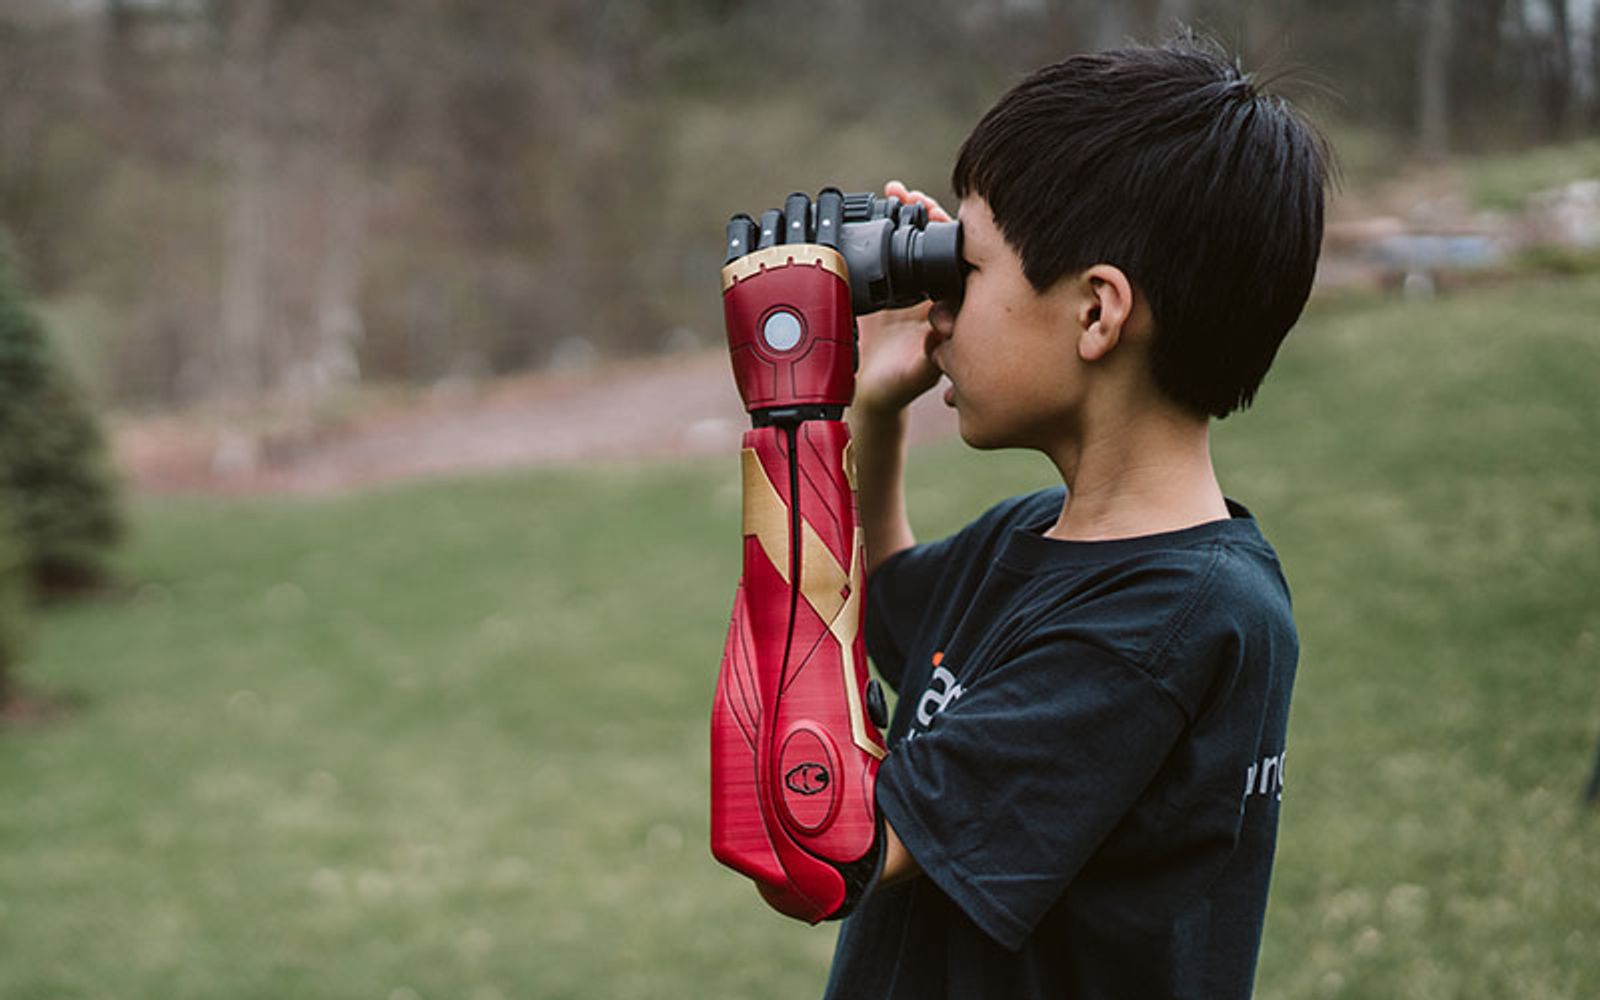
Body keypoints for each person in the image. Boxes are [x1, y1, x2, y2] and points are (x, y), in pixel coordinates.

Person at [823, 38, 1330, 999]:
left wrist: (791, 421)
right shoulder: (1040, 538)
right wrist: (870, 415)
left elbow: (832, 844)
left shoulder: (1162, 622)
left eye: (962, 269)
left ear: (1098, 313)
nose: (934, 310)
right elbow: (881, 611)